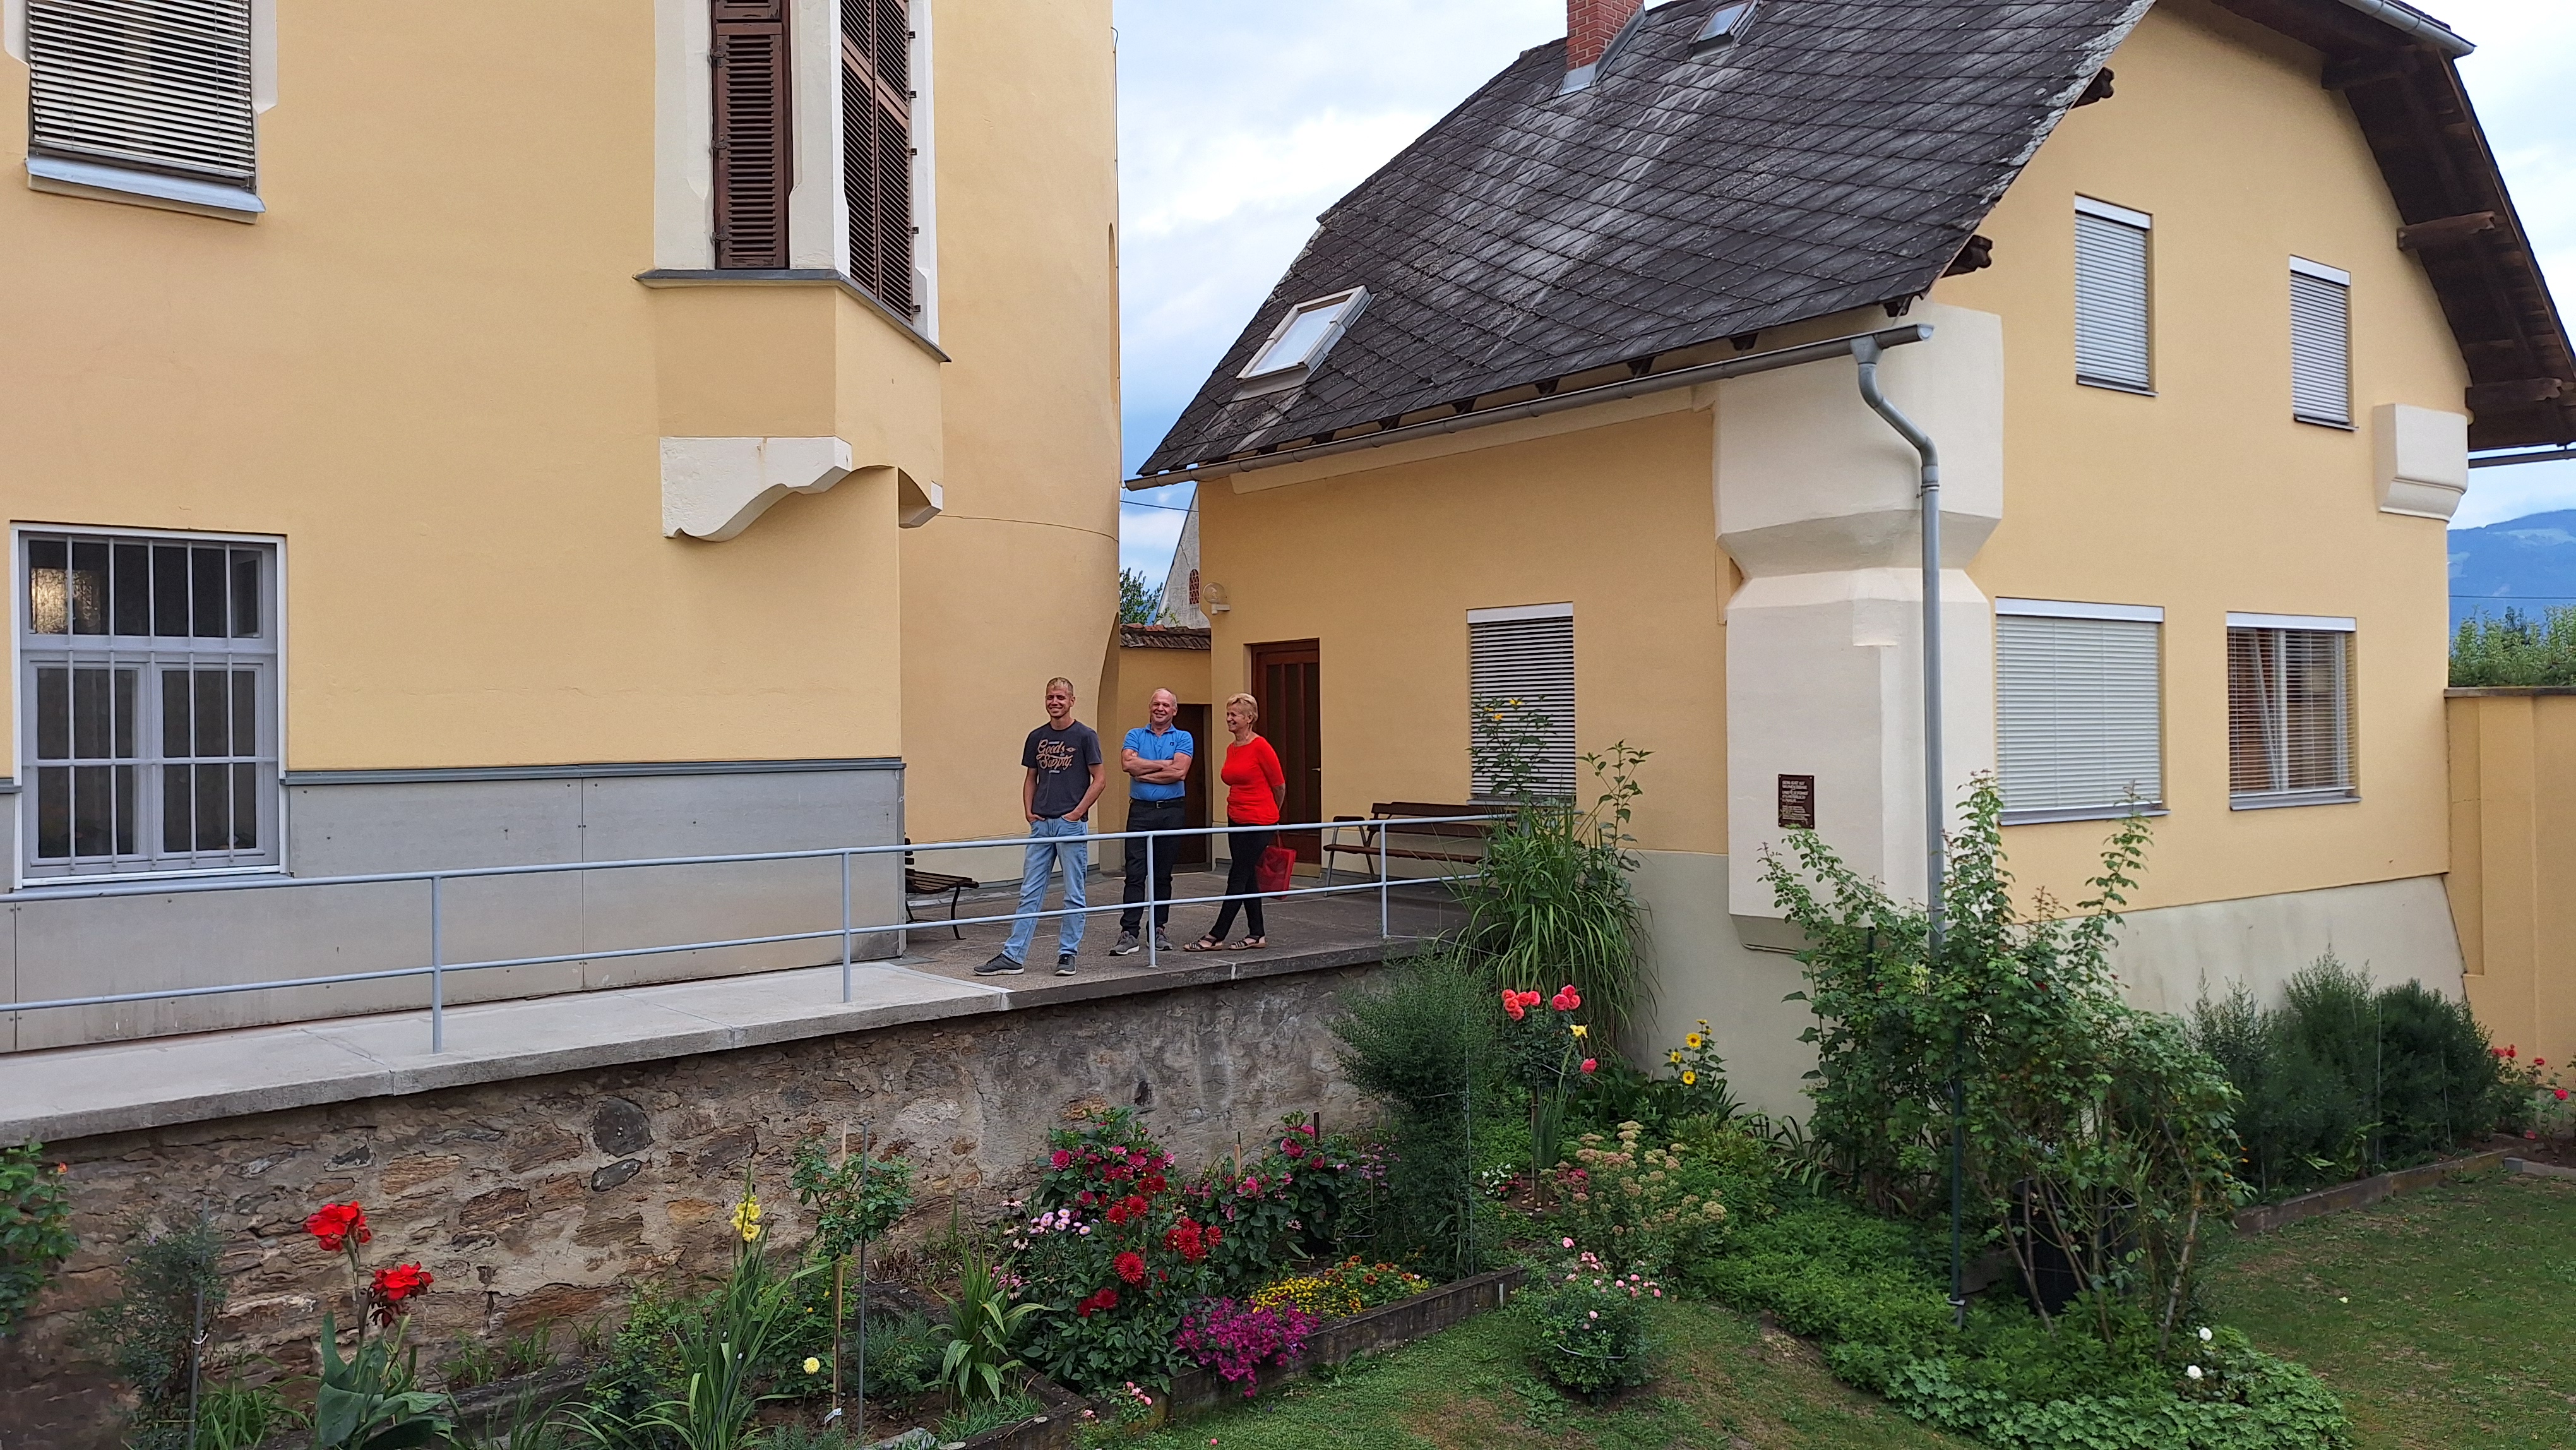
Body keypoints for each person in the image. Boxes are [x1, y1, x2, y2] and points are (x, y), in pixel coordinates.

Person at [981, 676, 1104, 977]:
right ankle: (1013, 956)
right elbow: (1031, 777)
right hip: (1042, 825)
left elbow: (1100, 779)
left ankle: (1067, 954)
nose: (1055, 702)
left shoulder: (1085, 736)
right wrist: (1029, 810)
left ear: (1072, 701)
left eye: (1061, 697)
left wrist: (1076, 814)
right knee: (1030, 892)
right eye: (1050, 697)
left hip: (1069, 825)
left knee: (1074, 893)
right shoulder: (1036, 737)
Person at [1185, 692, 1285, 952]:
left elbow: (1279, 786)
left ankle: (1216, 935)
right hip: (1236, 817)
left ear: (1249, 718)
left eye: (1234, 715)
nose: (1229, 719)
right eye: (1228, 714)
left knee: (1237, 875)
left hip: (1259, 820)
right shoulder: (1232, 748)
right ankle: (1257, 934)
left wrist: (1272, 816)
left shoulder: (1261, 746)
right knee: (1247, 875)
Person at [1111, 688, 1193, 957]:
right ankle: (1129, 933)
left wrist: (1144, 772)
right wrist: (1164, 765)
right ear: (1150, 707)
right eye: (1156, 704)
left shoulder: (1183, 737)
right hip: (1141, 812)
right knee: (1135, 873)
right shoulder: (1135, 735)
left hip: (1171, 812)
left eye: (1166, 705)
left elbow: (1180, 771)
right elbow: (1128, 765)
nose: (1160, 708)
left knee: (1162, 874)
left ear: (1174, 711)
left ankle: (1157, 930)